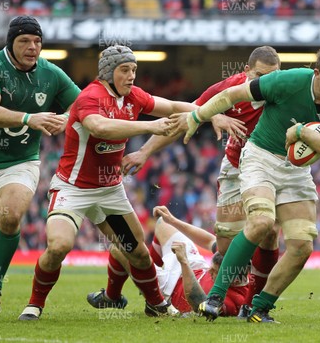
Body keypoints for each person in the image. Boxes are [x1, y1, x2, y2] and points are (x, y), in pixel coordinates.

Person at [170, 45, 320, 323]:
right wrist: (197, 116)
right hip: (260, 156)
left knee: (302, 245)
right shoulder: (288, 80)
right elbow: (233, 94)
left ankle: (259, 307)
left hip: (296, 170)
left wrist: (301, 132)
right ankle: (216, 297)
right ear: (316, 73)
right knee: (261, 222)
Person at [100, 46, 282, 314]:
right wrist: (144, 151)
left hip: (271, 168)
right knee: (223, 247)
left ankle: (254, 306)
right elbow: (185, 120)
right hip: (235, 169)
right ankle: (142, 287)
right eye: (259, 76)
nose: (264, 84)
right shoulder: (227, 91)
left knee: (269, 231)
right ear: (245, 72)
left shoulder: (286, 90)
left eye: (271, 77)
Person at [17, 45, 193, 320]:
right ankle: (34, 304)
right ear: (108, 73)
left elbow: (170, 106)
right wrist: (149, 126)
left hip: (110, 191)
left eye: (134, 69)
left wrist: (207, 113)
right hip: (72, 189)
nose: (132, 75)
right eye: (125, 70)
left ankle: (156, 304)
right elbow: (100, 127)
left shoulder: (134, 96)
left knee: (139, 255)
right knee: (59, 246)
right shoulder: (90, 96)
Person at [0, 16, 80, 318]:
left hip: (21, 161)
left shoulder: (51, 74)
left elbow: (83, 106)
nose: (32, 47)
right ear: (11, 43)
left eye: (37, 41)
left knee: (11, 215)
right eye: (25, 41)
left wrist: (65, 119)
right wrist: (29, 118)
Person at [87, 206, 251, 316]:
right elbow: (210, 241)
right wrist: (173, 220)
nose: (211, 271)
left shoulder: (233, 302)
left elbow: (198, 305)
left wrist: (184, 262)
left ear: (234, 278)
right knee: (162, 223)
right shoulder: (236, 262)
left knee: (119, 248)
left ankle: (116, 297)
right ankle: (149, 277)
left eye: (214, 272)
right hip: (194, 266)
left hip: (173, 286)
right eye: (213, 268)